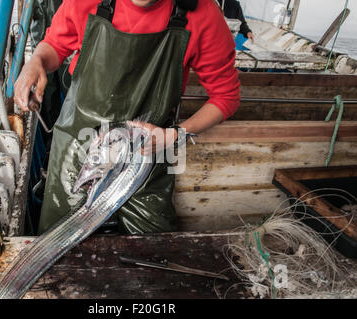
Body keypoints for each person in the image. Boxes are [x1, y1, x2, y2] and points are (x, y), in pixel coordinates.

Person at [14, 0, 240, 235]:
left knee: (154, 247)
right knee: (57, 240)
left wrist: (175, 135)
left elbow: (226, 96)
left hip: (148, 154)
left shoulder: (203, 13)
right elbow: (55, 44)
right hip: (79, 149)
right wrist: (37, 60)